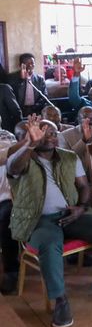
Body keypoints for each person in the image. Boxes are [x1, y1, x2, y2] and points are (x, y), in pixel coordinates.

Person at [8, 116, 92, 327]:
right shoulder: (22, 158)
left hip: (71, 215)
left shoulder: (69, 157)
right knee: (50, 243)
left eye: (54, 134)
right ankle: (60, 300)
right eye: (45, 133)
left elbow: (83, 187)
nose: (51, 138)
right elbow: (14, 169)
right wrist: (30, 144)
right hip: (38, 221)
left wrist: (81, 207)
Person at [0, 116, 19, 294]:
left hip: (7, 196)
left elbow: (9, 155)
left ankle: (12, 271)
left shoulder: (7, 136)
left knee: (7, 216)